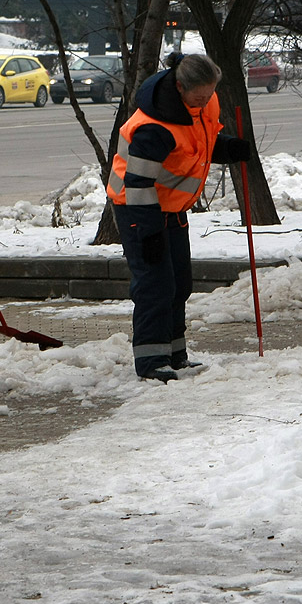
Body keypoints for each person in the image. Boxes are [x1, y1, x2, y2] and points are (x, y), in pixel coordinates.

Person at [108, 53, 250, 382]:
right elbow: (137, 183)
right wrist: (149, 233)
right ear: (180, 87)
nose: (205, 102)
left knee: (179, 283)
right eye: (199, 97)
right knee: (155, 285)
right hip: (137, 207)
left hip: (172, 208)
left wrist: (227, 148)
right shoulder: (153, 126)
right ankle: (151, 361)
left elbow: (197, 145)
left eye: (210, 94)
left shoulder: (203, 104)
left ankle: (175, 354)